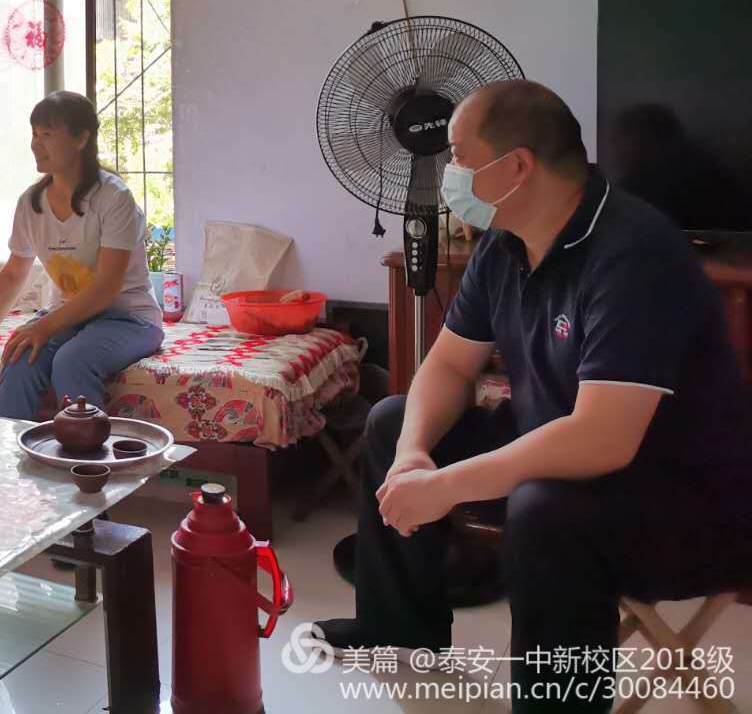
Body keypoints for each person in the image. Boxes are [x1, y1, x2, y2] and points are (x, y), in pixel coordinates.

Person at [315, 81, 752, 711]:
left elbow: (601, 439)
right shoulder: (503, 241)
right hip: (558, 449)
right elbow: (449, 364)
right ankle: (397, 625)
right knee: (392, 422)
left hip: (684, 499)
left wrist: (447, 486)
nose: (449, 175)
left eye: (459, 157)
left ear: (516, 166)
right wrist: (414, 457)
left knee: (545, 511)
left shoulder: (635, 255)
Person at [0, 91, 164, 419]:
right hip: (68, 316)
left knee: (72, 361)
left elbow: (106, 287)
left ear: (81, 139)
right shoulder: (31, 203)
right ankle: (10, 451)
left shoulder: (113, 197)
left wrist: (43, 327)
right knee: (19, 357)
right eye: (34, 134)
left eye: (47, 134)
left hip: (129, 319)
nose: (36, 145)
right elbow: (15, 271)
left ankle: (85, 451)